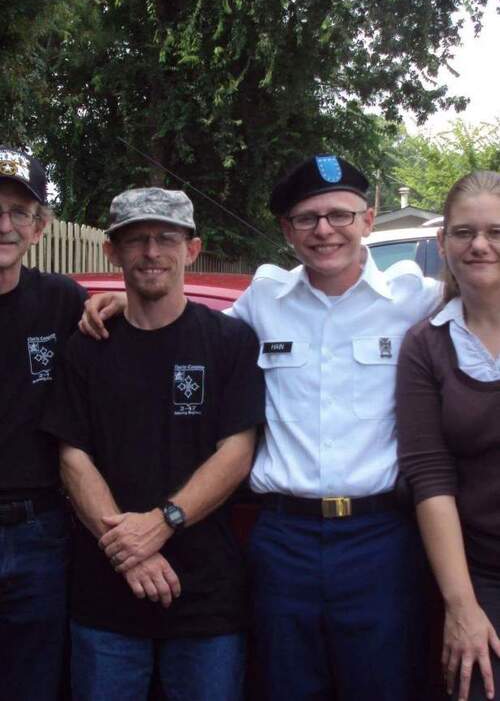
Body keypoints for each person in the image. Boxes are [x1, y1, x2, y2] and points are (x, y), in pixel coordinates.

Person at [82, 155, 444, 699]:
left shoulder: (416, 299)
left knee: (383, 685)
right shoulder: (263, 300)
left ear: (368, 220)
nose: (324, 230)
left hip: (379, 538)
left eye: (340, 215)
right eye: (307, 218)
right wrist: (120, 299)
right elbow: (179, 329)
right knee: (283, 685)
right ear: (287, 230)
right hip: (282, 540)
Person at [42, 187, 265, 701]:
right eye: (135, 239)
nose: (151, 252)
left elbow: (237, 451)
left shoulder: (230, 341)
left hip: (207, 600)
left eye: (167, 238)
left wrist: (161, 524)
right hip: (105, 599)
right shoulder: (87, 346)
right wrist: (131, 553)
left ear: (192, 249)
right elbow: (72, 456)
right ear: (112, 252)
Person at [396, 170, 500, 701]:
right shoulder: (427, 345)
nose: (480, 245)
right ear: (442, 242)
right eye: (464, 232)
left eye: (496, 232)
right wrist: (462, 607)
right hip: (480, 575)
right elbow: (430, 476)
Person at [0, 146, 87, 700]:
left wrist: (116, 307)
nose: (3, 226)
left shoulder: (63, 301)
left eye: (18, 212)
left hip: (38, 531)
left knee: (33, 683)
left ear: (39, 228)